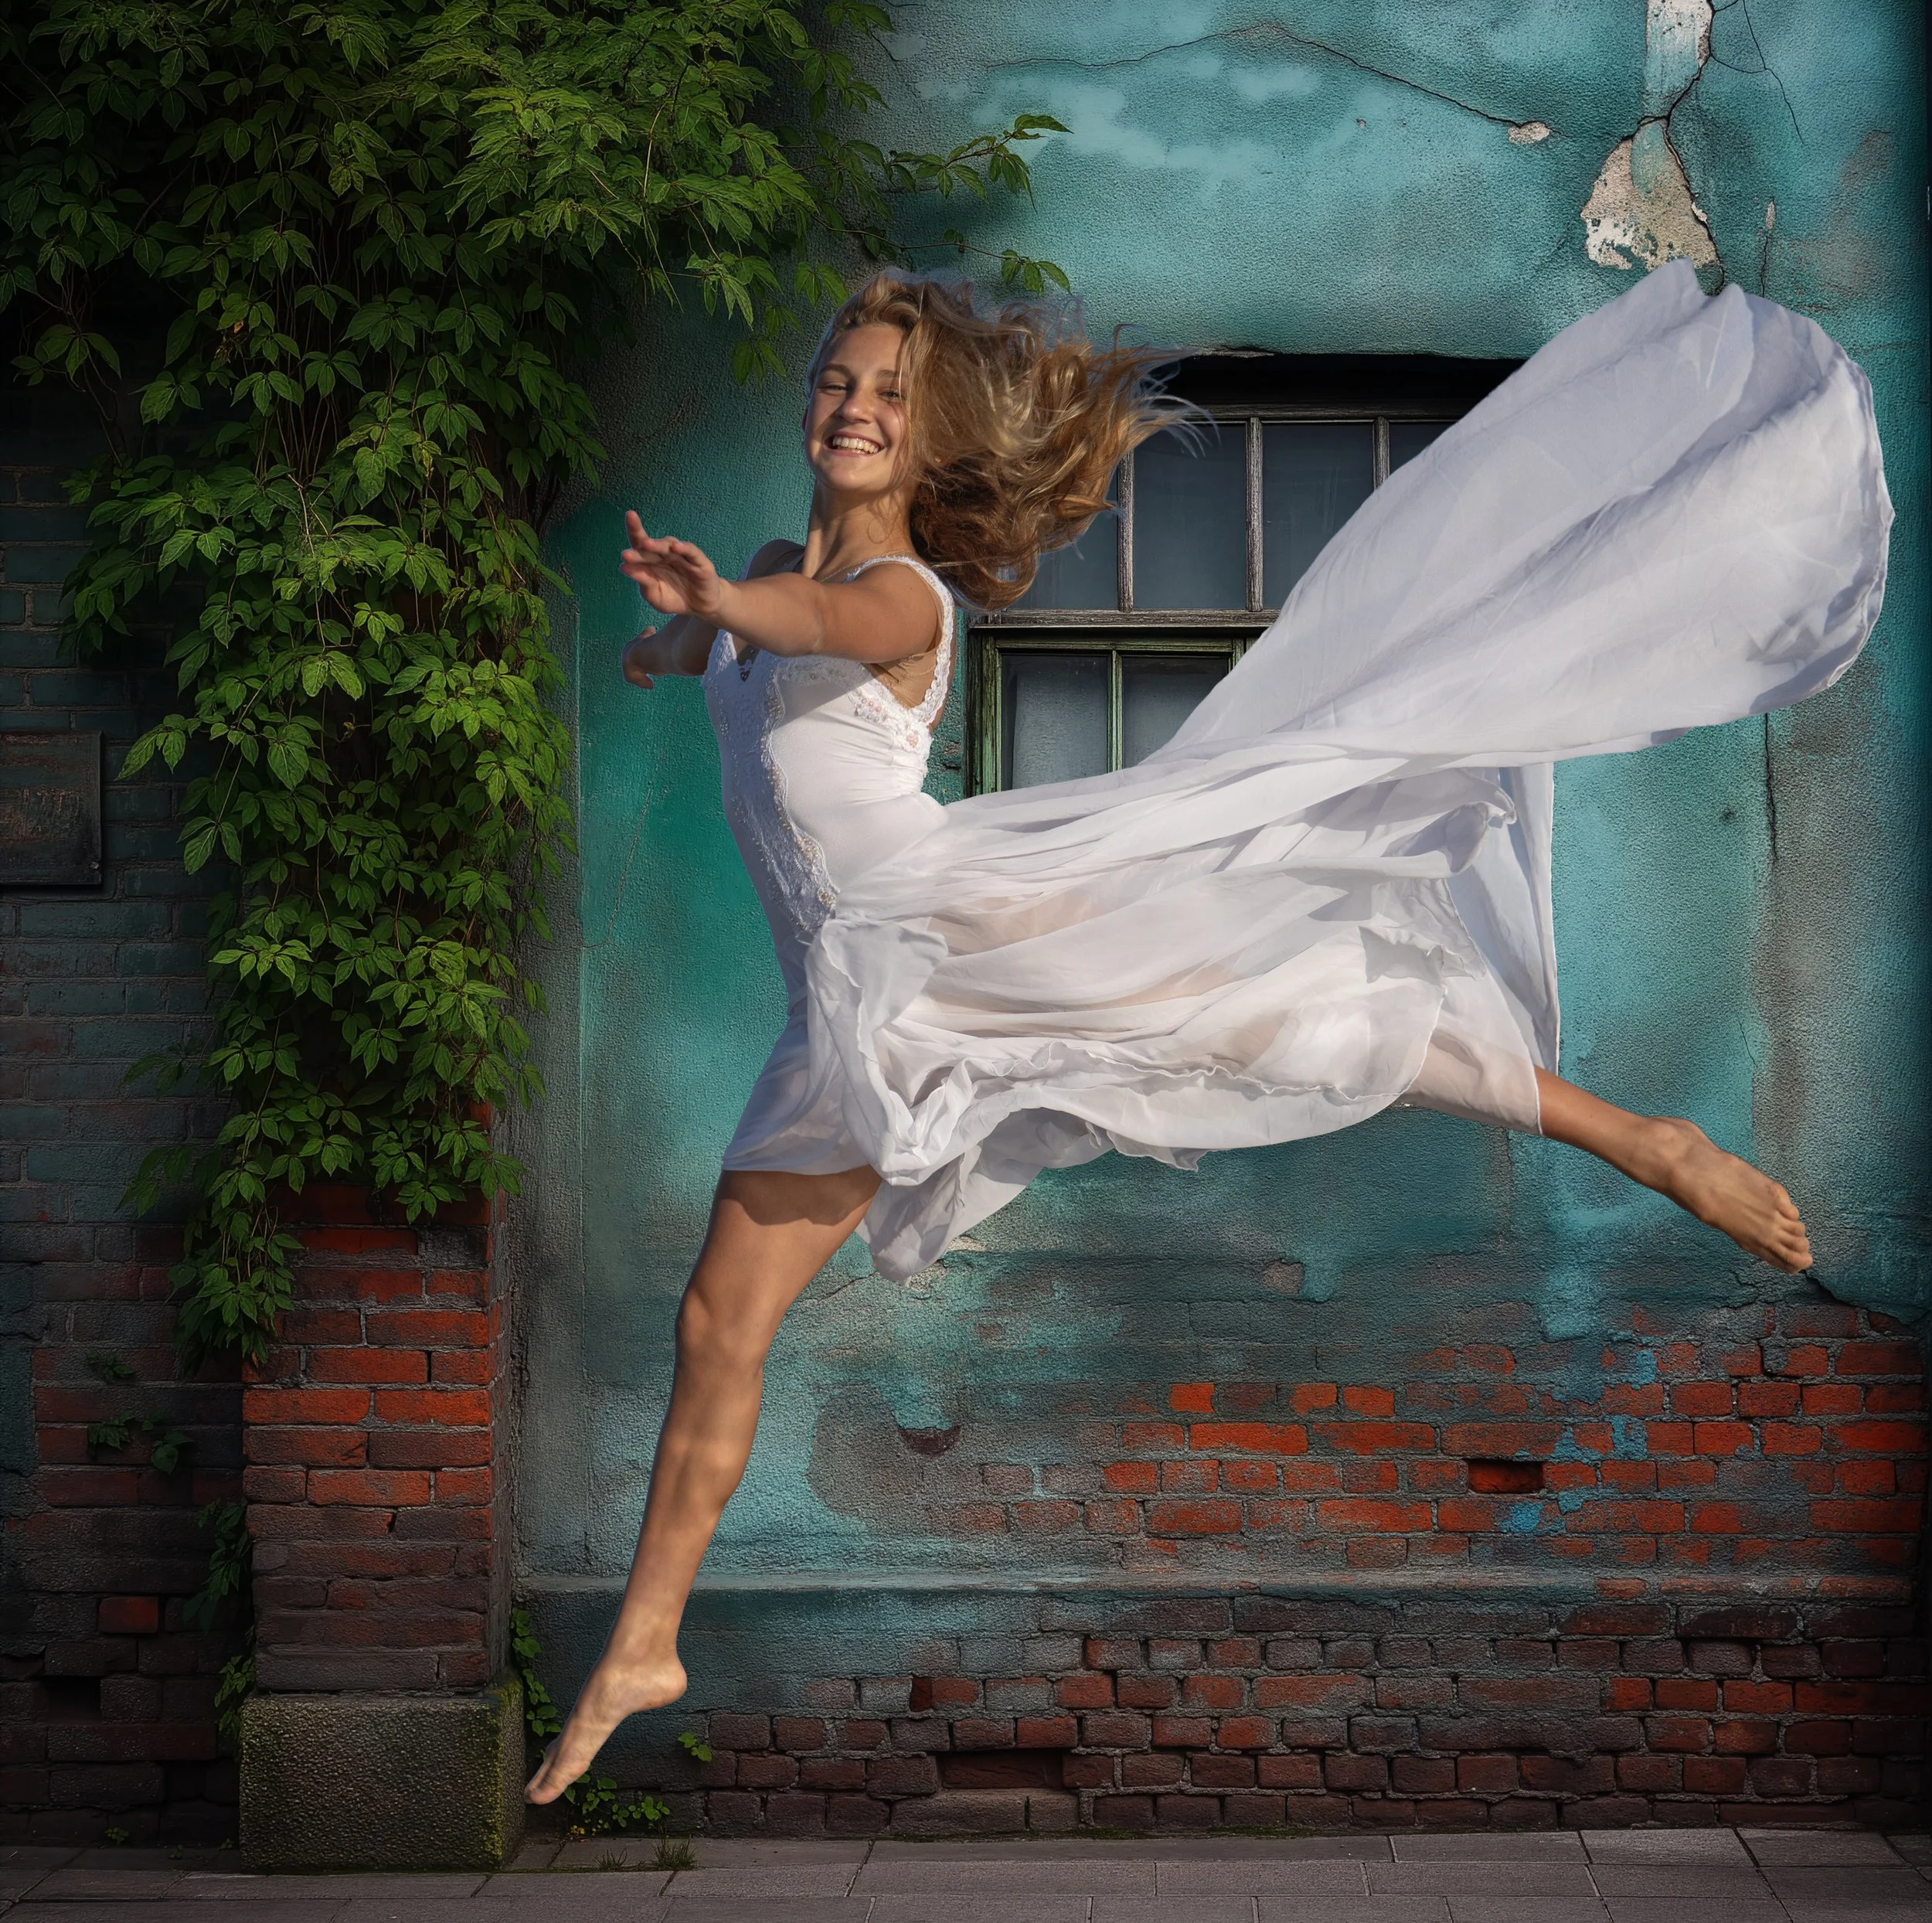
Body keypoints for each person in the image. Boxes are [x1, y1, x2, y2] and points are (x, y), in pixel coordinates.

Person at [527, 262, 1889, 1805]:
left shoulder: (897, 595)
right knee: (720, 1325)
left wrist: (723, 607)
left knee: (1267, 1019)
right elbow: (734, 647)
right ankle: (647, 1644)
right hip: (841, 999)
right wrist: (676, 636)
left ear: (932, 437)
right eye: (839, 381)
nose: (855, 408)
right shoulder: (772, 566)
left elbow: (811, 619)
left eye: (893, 395)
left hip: (952, 928)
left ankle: (1644, 1138)